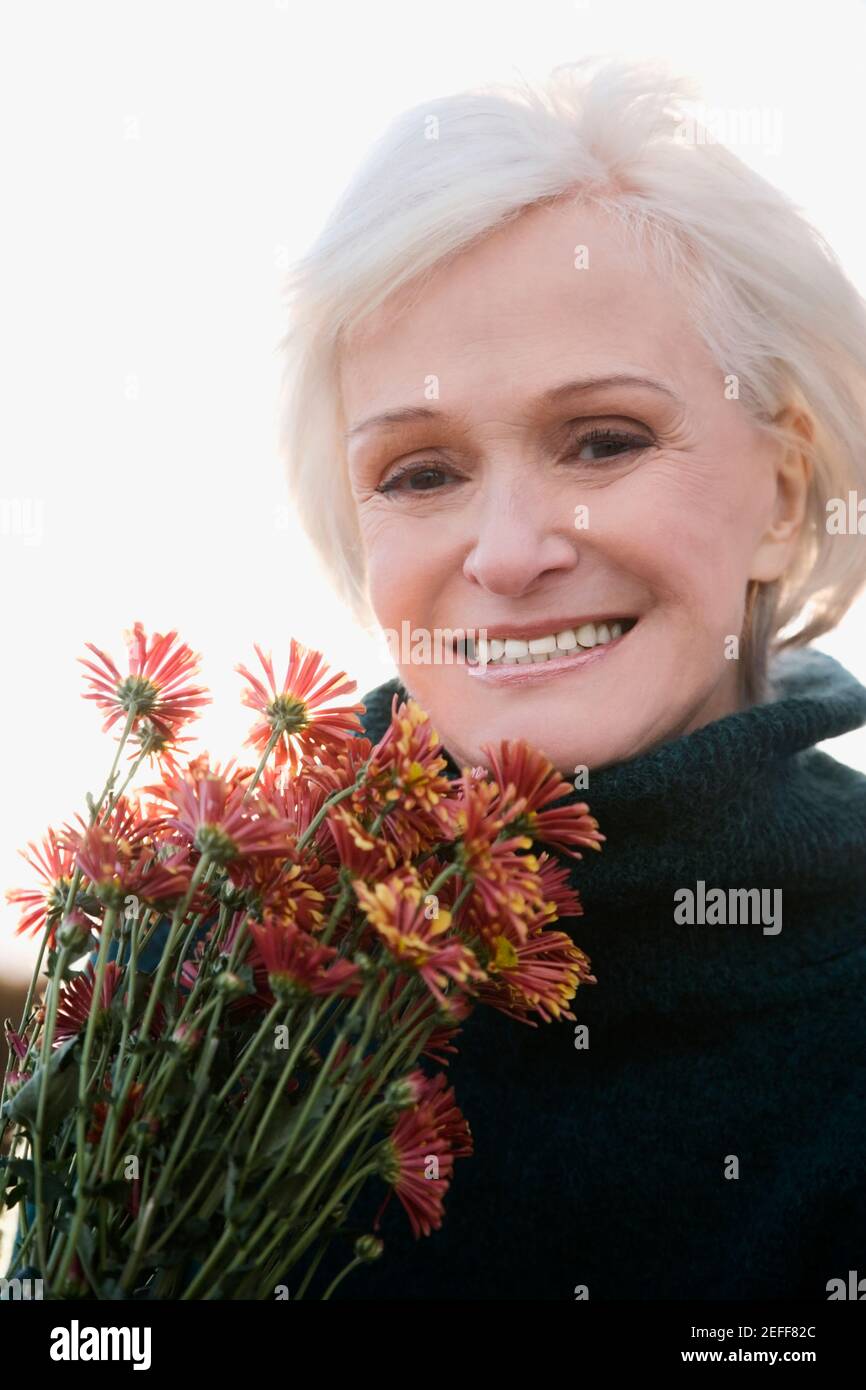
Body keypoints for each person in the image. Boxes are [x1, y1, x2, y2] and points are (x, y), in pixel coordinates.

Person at [276, 58, 866, 1298]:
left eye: (602, 441)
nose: (506, 553)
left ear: (785, 491)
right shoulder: (218, 978)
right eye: (420, 472)